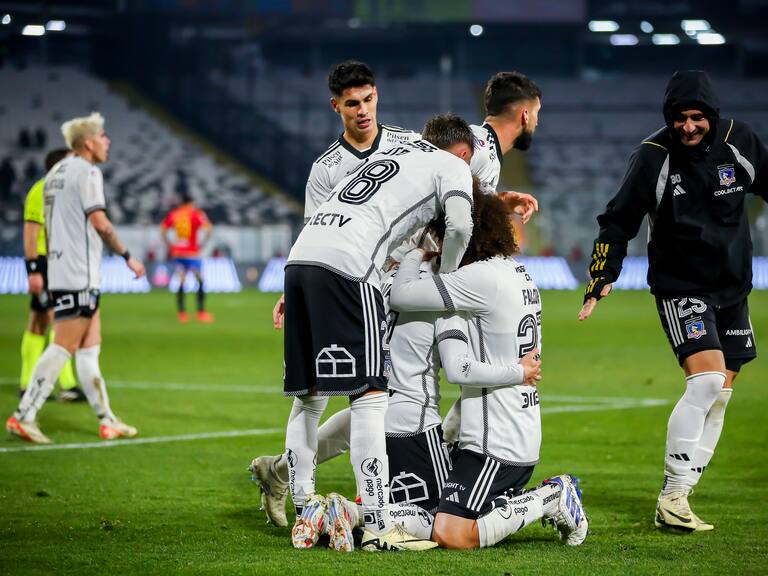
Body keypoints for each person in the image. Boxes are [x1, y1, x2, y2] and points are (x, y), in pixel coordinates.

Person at [578, 70, 767, 531]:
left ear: (711, 115)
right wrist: (603, 274)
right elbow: (618, 220)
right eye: (679, 118)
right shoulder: (653, 156)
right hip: (681, 286)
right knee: (706, 383)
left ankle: (681, 497)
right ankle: (672, 496)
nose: (688, 126)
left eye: (697, 117)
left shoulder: (739, 141)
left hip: (733, 288)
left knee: (720, 394)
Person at [281, 114, 475, 552]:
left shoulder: (396, 149)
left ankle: (305, 511)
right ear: (463, 154)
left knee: (309, 398)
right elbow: (461, 226)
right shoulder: (453, 165)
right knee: (370, 398)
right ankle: (378, 523)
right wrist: (447, 276)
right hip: (351, 267)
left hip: (300, 259)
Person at [389, 192, 588, 549]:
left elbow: (402, 296)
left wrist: (416, 253)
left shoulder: (478, 279)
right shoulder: (513, 271)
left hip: (497, 442)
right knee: (425, 509)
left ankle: (552, 497)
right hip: (510, 426)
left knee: (450, 533)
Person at [5, 112, 146, 444]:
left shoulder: (54, 173)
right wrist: (127, 255)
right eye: (103, 136)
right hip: (78, 273)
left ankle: (107, 419)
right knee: (63, 345)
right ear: (88, 143)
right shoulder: (87, 171)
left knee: (88, 348)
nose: (107, 141)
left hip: (63, 269)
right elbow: (99, 222)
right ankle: (24, 415)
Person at [272, 60, 420, 328]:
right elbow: (315, 236)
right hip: (358, 284)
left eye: (368, 99)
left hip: (412, 277)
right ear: (335, 105)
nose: (363, 111)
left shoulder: (411, 145)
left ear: (376, 94)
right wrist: (292, 289)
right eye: (352, 104)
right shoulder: (325, 169)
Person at [20, 148, 83, 402]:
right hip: (45, 265)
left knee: (38, 324)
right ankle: (66, 384)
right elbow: (31, 233)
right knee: (60, 322)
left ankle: (27, 382)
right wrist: (34, 270)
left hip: (59, 264)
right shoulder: (41, 190)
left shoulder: (67, 193)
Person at [160, 191, 214, 323]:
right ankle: (201, 312)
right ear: (191, 203)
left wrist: (170, 245)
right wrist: (202, 244)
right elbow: (209, 230)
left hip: (178, 253)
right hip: (192, 254)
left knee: (182, 281)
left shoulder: (174, 214)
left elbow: (163, 230)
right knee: (200, 280)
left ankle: (182, 313)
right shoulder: (196, 213)